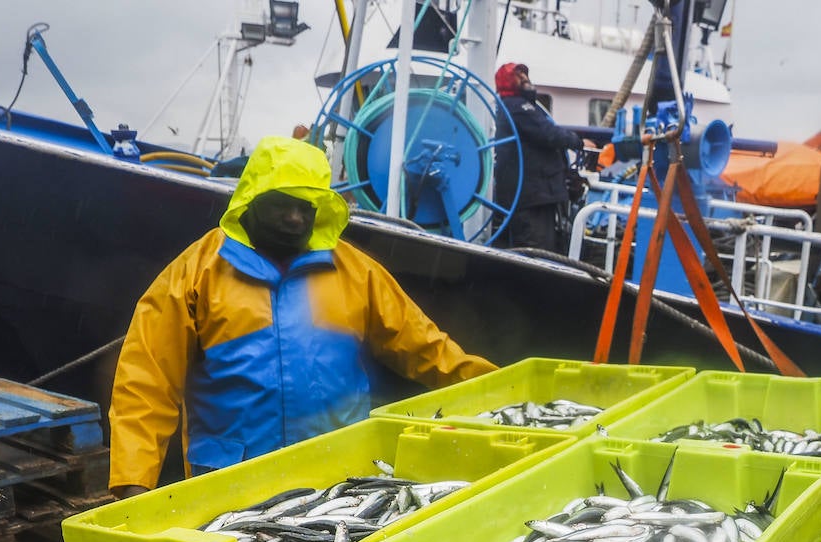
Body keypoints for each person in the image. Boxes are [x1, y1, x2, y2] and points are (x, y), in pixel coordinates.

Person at [108, 135, 496, 498]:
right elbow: (146, 382)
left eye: (305, 208)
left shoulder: (356, 272)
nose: (295, 218)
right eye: (282, 204)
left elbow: (428, 350)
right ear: (252, 199)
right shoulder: (197, 273)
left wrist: (504, 396)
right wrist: (132, 480)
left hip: (339, 484)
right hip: (229, 486)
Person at [492, 62, 590, 252]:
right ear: (507, 82)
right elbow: (547, 133)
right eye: (518, 76)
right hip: (532, 195)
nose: (525, 78)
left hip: (534, 193)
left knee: (539, 245)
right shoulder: (518, 107)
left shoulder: (518, 107)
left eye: (524, 74)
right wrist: (578, 142)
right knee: (535, 248)